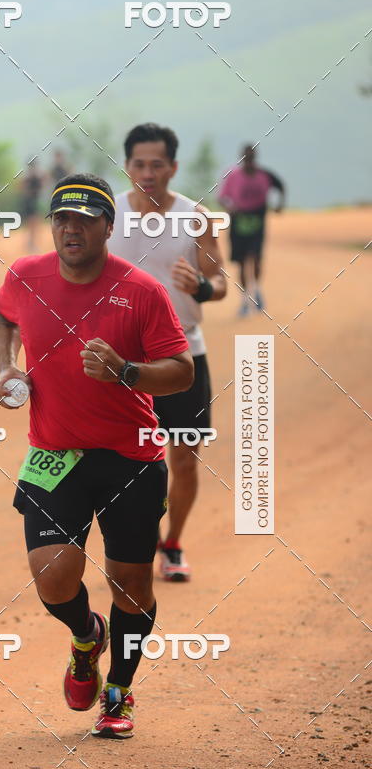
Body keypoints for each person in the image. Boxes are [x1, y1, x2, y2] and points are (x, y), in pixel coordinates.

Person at [0, 173, 193, 738]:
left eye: (83, 219)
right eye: (61, 218)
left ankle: (120, 691)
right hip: (56, 454)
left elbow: (182, 371)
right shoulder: (24, 276)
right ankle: (86, 636)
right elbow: (2, 314)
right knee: (52, 578)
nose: (70, 229)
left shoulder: (142, 291)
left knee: (132, 584)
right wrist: (6, 365)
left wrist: (127, 372)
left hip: (131, 458)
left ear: (109, 226)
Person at [108, 123, 227, 583]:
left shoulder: (195, 217)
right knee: (120, 458)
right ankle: (131, 545)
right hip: (123, 362)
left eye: (158, 164)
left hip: (183, 355)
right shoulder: (108, 214)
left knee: (183, 459)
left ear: (173, 167)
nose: (148, 172)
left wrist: (200, 286)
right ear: (127, 165)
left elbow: (219, 283)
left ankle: (172, 542)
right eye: (139, 163)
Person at [218, 144, 285, 315]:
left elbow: (281, 186)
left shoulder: (265, 176)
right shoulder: (233, 176)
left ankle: (256, 291)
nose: (248, 162)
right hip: (238, 222)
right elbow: (222, 198)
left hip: (257, 222)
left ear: (255, 158)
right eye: (245, 158)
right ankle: (244, 300)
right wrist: (230, 208)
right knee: (241, 263)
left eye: (251, 158)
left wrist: (280, 205)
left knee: (255, 258)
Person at [20, 159, 45, 253]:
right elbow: (21, 187)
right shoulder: (29, 177)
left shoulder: (34, 177)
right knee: (31, 222)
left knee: (34, 222)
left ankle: (31, 242)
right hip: (30, 202)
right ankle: (31, 243)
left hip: (33, 201)